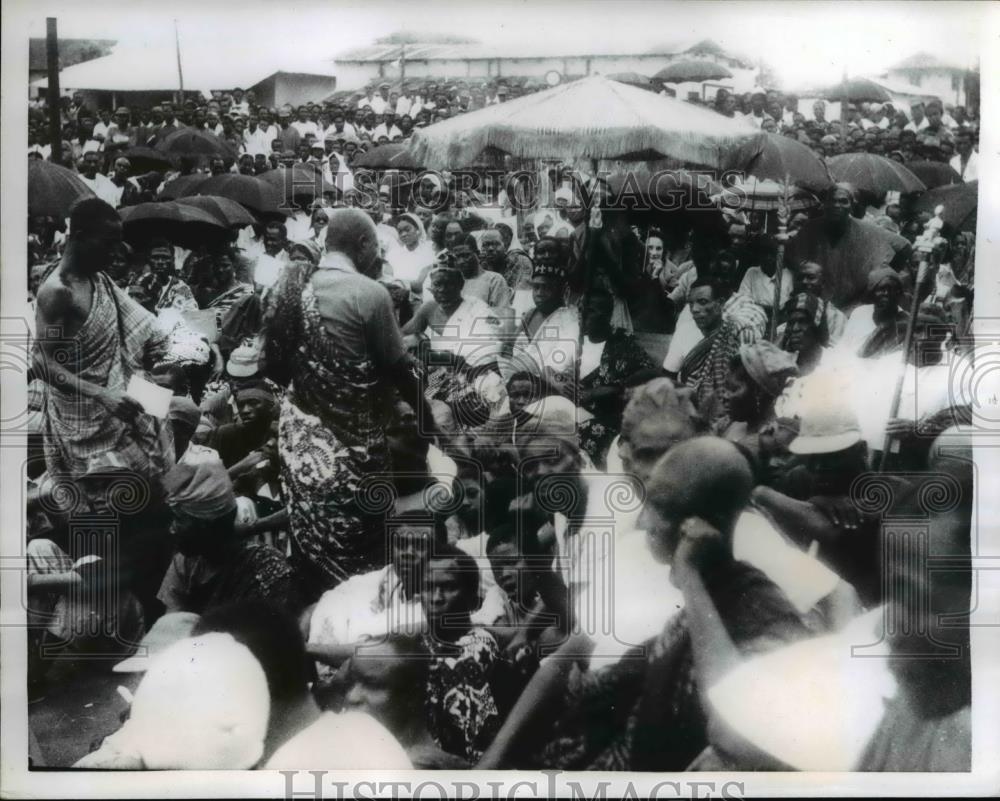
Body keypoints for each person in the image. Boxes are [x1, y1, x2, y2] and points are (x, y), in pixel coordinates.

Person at [263, 208, 433, 594]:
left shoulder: (287, 289)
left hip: (301, 441)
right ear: (363, 244)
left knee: (308, 530)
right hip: (356, 446)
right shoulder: (369, 293)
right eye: (376, 247)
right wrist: (431, 425)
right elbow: (401, 373)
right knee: (363, 544)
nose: (377, 256)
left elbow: (273, 366)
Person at [33, 198, 173, 490]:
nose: (114, 253)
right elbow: (42, 363)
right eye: (108, 244)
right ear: (81, 237)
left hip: (120, 383)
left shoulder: (97, 277)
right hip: (83, 409)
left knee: (177, 410)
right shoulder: (58, 291)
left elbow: (140, 326)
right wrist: (102, 395)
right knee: (115, 495)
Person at [157, 459, 303, 615]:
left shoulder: (268, 570)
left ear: (206, 524)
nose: (172, 529)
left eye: (179, 520)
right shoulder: (185, 564)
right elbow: (172, 625)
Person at [421, 544, 503, 762]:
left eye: (448, 587)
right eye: (428, 587)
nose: (436, 597)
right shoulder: (417, 640)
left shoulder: (478, 645)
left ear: (470, 597)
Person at [785, 184, 904, 312]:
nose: (837, 205)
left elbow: (903, 246)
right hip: (816, 303)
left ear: (851, 206)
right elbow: (793, 256)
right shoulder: (811, 228)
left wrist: (882, 274)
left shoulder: (866, 230)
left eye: (843, 201)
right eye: (833, 201)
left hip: (853, 306)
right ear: (825, 204)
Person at [577, 289, 655, 466]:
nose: (582, 316)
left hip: (606, 418)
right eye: (580, 310)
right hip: (570, 408)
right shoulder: (574, 339)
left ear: (606, 314)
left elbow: (648, 379)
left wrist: (601, 392)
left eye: (590, 311)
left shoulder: (623, 344)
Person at [507, 239, 579, 393]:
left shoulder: (569, 319)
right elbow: (507, 347)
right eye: (536, 287)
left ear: (561, 291)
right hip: (514, 381)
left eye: (547, 288)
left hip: (544, 388)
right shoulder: (530, 313)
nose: (539, 293)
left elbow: (559, 363)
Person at [676, 277, 749, 420]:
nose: (695, 309)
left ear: (720, 303)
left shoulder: (734, 335)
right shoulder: (685, 331)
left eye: (702, 302)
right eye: (691, 303)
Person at [716, 341, 799, 454]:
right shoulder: (729, 425)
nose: (725, 396)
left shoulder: (774, 440)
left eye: (733, 389)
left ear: (758, 392)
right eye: (726, 387)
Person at [839, 267, 909, 358]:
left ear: (898, 293)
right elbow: (843, 346)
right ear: (872, 292)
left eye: (892, 289)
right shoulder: (860, 313)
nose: (886, 293)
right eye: (882, 289)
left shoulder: (905, 322)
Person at [779, 292, 832, 375]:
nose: (795, 329)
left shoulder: (832, 363)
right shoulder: (785, 363)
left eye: (802, 322)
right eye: (791, 323)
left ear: (817, 326)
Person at [384, 212, 436, 297]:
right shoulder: (393, 254)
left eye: (407, 230)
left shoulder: (430, 250)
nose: (403, 234)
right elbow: (387, 280)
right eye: (400, 232)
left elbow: (422, 284)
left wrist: (399, 283)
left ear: (417, 230)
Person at [146, 239, 197, 314]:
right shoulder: (138, 282)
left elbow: (192, 315)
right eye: (155, 257)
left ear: (172, 260)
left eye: (165, 257)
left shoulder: (182, 288)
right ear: (149, 260)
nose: (160, 262)